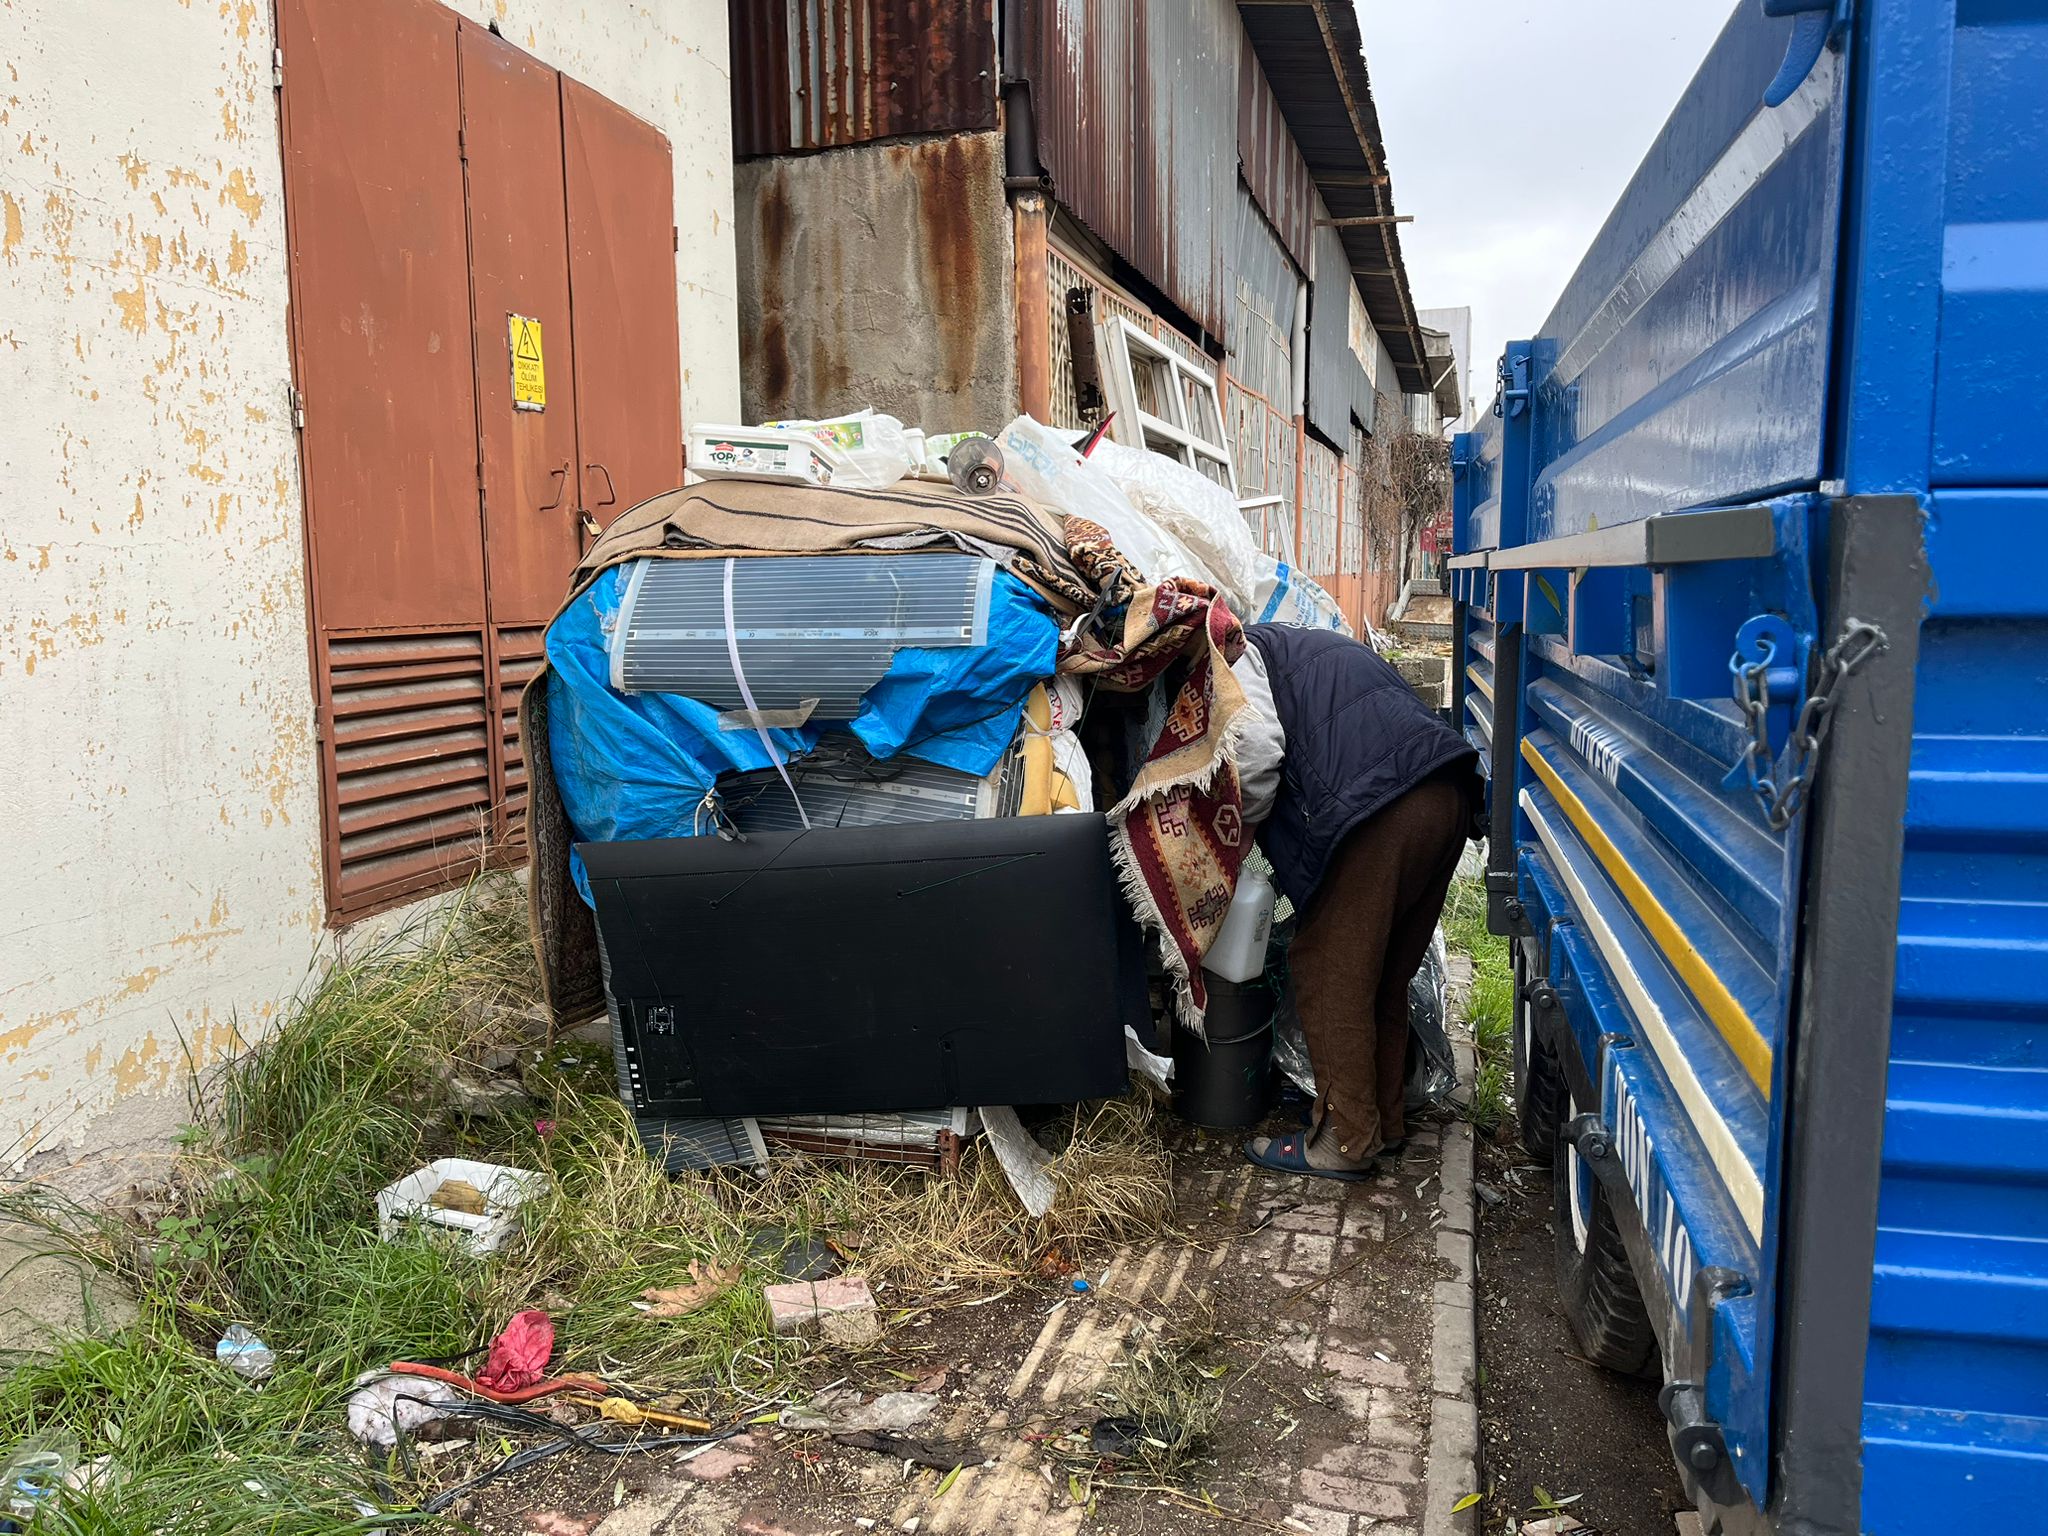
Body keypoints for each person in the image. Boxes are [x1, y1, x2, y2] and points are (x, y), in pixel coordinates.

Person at [1232, 623, 1480, 1181]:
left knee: (1326, 967)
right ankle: (1382, 1125)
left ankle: (1342, 1142)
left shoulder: (1240, 655)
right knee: (1383, 975)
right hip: (1446, 794)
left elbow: (1256, 759)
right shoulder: (1306, 645)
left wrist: (1237, 837)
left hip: (1381, 807)